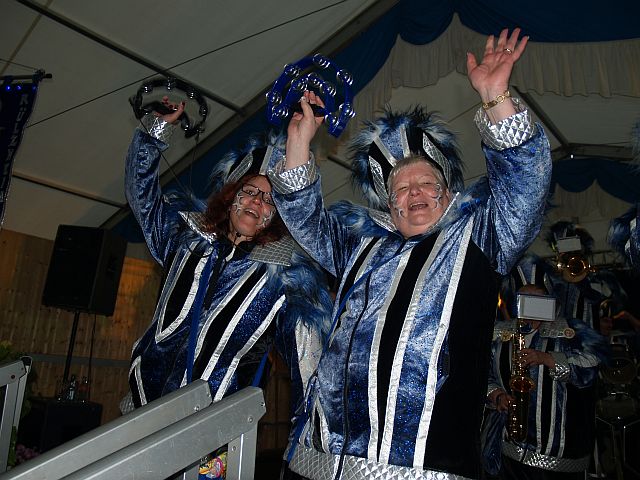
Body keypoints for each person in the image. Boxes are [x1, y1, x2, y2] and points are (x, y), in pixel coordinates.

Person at [269, 28, 552, 479]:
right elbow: (305, 219)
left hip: (426, 465)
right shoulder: (360, 246)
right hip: (323, 458)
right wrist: (300, 141)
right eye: (400, 188)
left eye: (425, 183)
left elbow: (526, 187)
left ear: (448, 194)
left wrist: (496, 97)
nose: (413, 191)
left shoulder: (480, 239)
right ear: (389, 204)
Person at [123, 99, 332, 418]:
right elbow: (142, 197)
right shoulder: (187, 240)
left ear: (278, 217)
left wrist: (311, 427)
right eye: (249, 191)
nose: (257, 202)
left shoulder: (283, 278)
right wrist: (154, 131)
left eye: (269, 200)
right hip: (143, 403)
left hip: (214, 427)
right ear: (230, 197)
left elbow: (309, 361)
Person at [485, 283, 609, 479]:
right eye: (523, 301)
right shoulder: (499, 333)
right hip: (509, 449)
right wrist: (496, 395)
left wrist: (548, 359)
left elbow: (592, 365)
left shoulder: (570, 330)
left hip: (556, 453)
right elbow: (483, 374)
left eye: (537, 302)